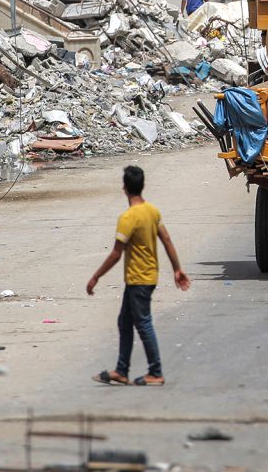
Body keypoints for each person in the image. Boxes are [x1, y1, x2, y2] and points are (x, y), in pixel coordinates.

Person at [87, 165, 191, 386]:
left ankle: (156, 372)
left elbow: (116, 253)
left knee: (143, 324)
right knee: (125, 321)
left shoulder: (128, 217)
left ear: (125, 188)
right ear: (142, 186)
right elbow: (167, 240)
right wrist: (177, 268)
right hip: (147, 277)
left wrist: (96, 276)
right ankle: (121, 371)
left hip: (138, 279)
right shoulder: (152, 211)